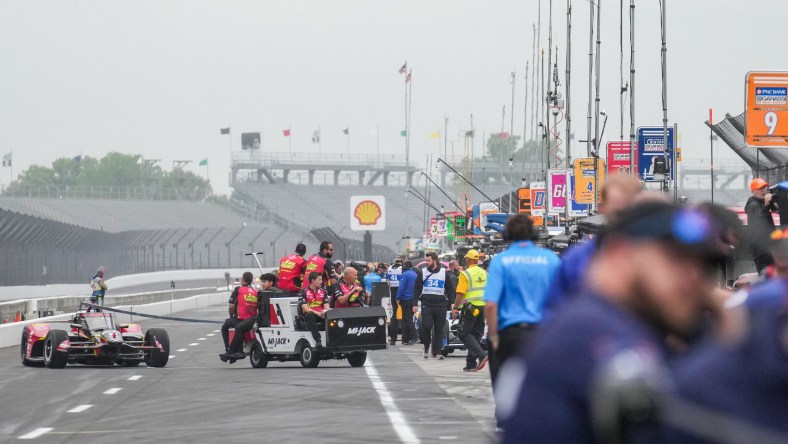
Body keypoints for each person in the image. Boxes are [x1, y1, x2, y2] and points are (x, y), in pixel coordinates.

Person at [501, 202, 740, 442]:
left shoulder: (616, 323)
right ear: (619, 253)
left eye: (702, 266)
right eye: (675, 259)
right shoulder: (597, 337)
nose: (692, 278)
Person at [543, 173, 642, 317]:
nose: (623, 220)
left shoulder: (655, 258)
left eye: (628, 211)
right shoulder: (576, 258)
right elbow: (553, 311)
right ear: (603, 208)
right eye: (618, 212)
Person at [483, 215, 560, 390]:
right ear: (534, 234)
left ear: (507, 235)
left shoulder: (500, 261)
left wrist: (494, 336)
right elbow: (562, 300)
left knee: (504, 388)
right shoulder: (551, 259)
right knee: (542, 388)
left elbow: (491, 305)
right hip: (543, 334)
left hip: (509, 335)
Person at [452, 249, 489, 372]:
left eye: (466, 258)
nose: (465, 260)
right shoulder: (485, 273)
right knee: (476, 334)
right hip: (483, 307)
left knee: (463, 333)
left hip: (470, 307)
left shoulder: (465, 274)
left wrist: (455, 307)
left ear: (469, 259)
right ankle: (471, 363)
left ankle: (481, 354)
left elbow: (460, 293)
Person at [414, 251, 455, 359]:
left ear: (435, 260)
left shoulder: (443, 272)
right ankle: (427, 346)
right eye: (426, 260)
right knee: (426, 326)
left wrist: (452, 303)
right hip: (427, 304)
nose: (426, 262)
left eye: (428, 260)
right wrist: (414, 304)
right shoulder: (422, 272)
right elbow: (417, 289)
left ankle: (437, 352)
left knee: (439, 330)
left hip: (440, 305)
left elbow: (450, 289)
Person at [221, 272, 264, 362]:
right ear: (251, 281)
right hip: (252, 318)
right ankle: (235, 352)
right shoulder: (256, 292)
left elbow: (231, 306)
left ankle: (229, 350)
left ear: (242, 279)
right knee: (236, 325)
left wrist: (231, 315)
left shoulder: (238, 289)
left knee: (226, 326)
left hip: (242, 319)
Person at [745, 178, 778, 274]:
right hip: (761, 249)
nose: (763, 191)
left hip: (768, 247)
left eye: (764, 188)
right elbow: (760, 220)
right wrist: (767, 205)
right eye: (760, 189)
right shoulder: (752, 204)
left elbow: (775, 210)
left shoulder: (761, 203)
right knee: (766, 274)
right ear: (753, 191)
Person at [298, 272, 331, 348]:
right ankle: (318, 340)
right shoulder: (303, 292)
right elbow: (305, 309)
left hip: (321, 314)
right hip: (310, 315)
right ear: (313, 280)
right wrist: (318, 313)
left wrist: (325, 311)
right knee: (310, 314)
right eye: (319, 280)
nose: (321, 281)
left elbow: (327, 306)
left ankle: (334, 339)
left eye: (321, 280)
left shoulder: (323, 291)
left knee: (331, 315)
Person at [396, 260, 419, 345]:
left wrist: (398, 298)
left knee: (407, 319)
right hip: (413, 299)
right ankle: (405, 339)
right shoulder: (415, 274)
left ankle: (415, 336)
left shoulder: (405, 275)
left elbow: (401, 287)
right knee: (407, 319)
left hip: (405, 299)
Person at [387, 257, 404, 344]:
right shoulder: (401, 269)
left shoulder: (389, 268)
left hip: (393, 292)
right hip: (401, 292)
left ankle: (393, 339)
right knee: (404, 314)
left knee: (394, 315)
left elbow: (388, 281)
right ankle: (405, 337)